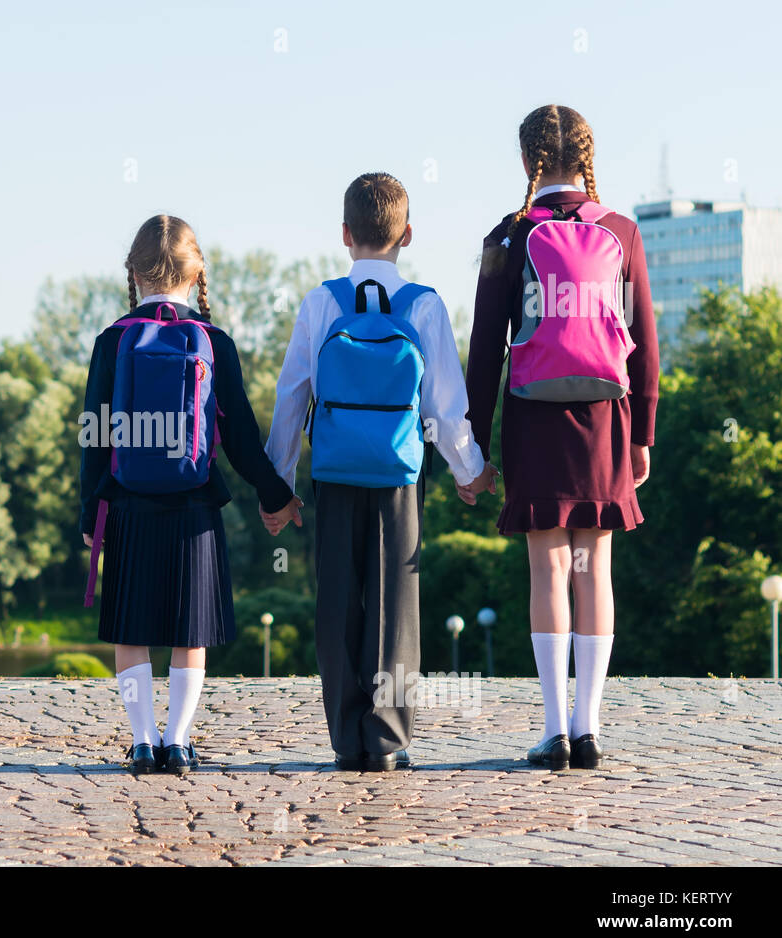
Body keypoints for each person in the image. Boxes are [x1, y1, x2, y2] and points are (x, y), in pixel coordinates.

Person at [263, 173, 494, 772]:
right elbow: (445, 406)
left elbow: (292, 397)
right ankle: (387, 741)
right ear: (407, 234)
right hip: (398, 476)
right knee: (397, 608)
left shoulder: (321, 303)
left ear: (344, 234)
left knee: (338, 602)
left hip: (335, 474)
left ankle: (346, 739)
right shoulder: (424, 305)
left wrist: (277, 487)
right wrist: (471, 471)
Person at [465, 105, 659, 770]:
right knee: (593, 567)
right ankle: (590, 727)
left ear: (527, 163)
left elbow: (487, 346)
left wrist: (475, 445)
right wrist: (645, 435)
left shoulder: (508, 235)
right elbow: (646, 347)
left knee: (548, 566)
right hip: (607, 414)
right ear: (588, 157)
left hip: (531, 412)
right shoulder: (623, 232)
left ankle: (552, 730)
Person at [79, 214, 297, 775]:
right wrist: (277, 496)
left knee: (131, 631)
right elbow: (243, 438)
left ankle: (143, 740)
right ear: (197, 270)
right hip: (195, 506)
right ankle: (179, 741)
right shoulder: (213, 342)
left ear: (133, 271)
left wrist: (89, 512)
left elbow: (94, 433)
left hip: (126, 503)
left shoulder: (112, 340)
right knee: (188, 632)